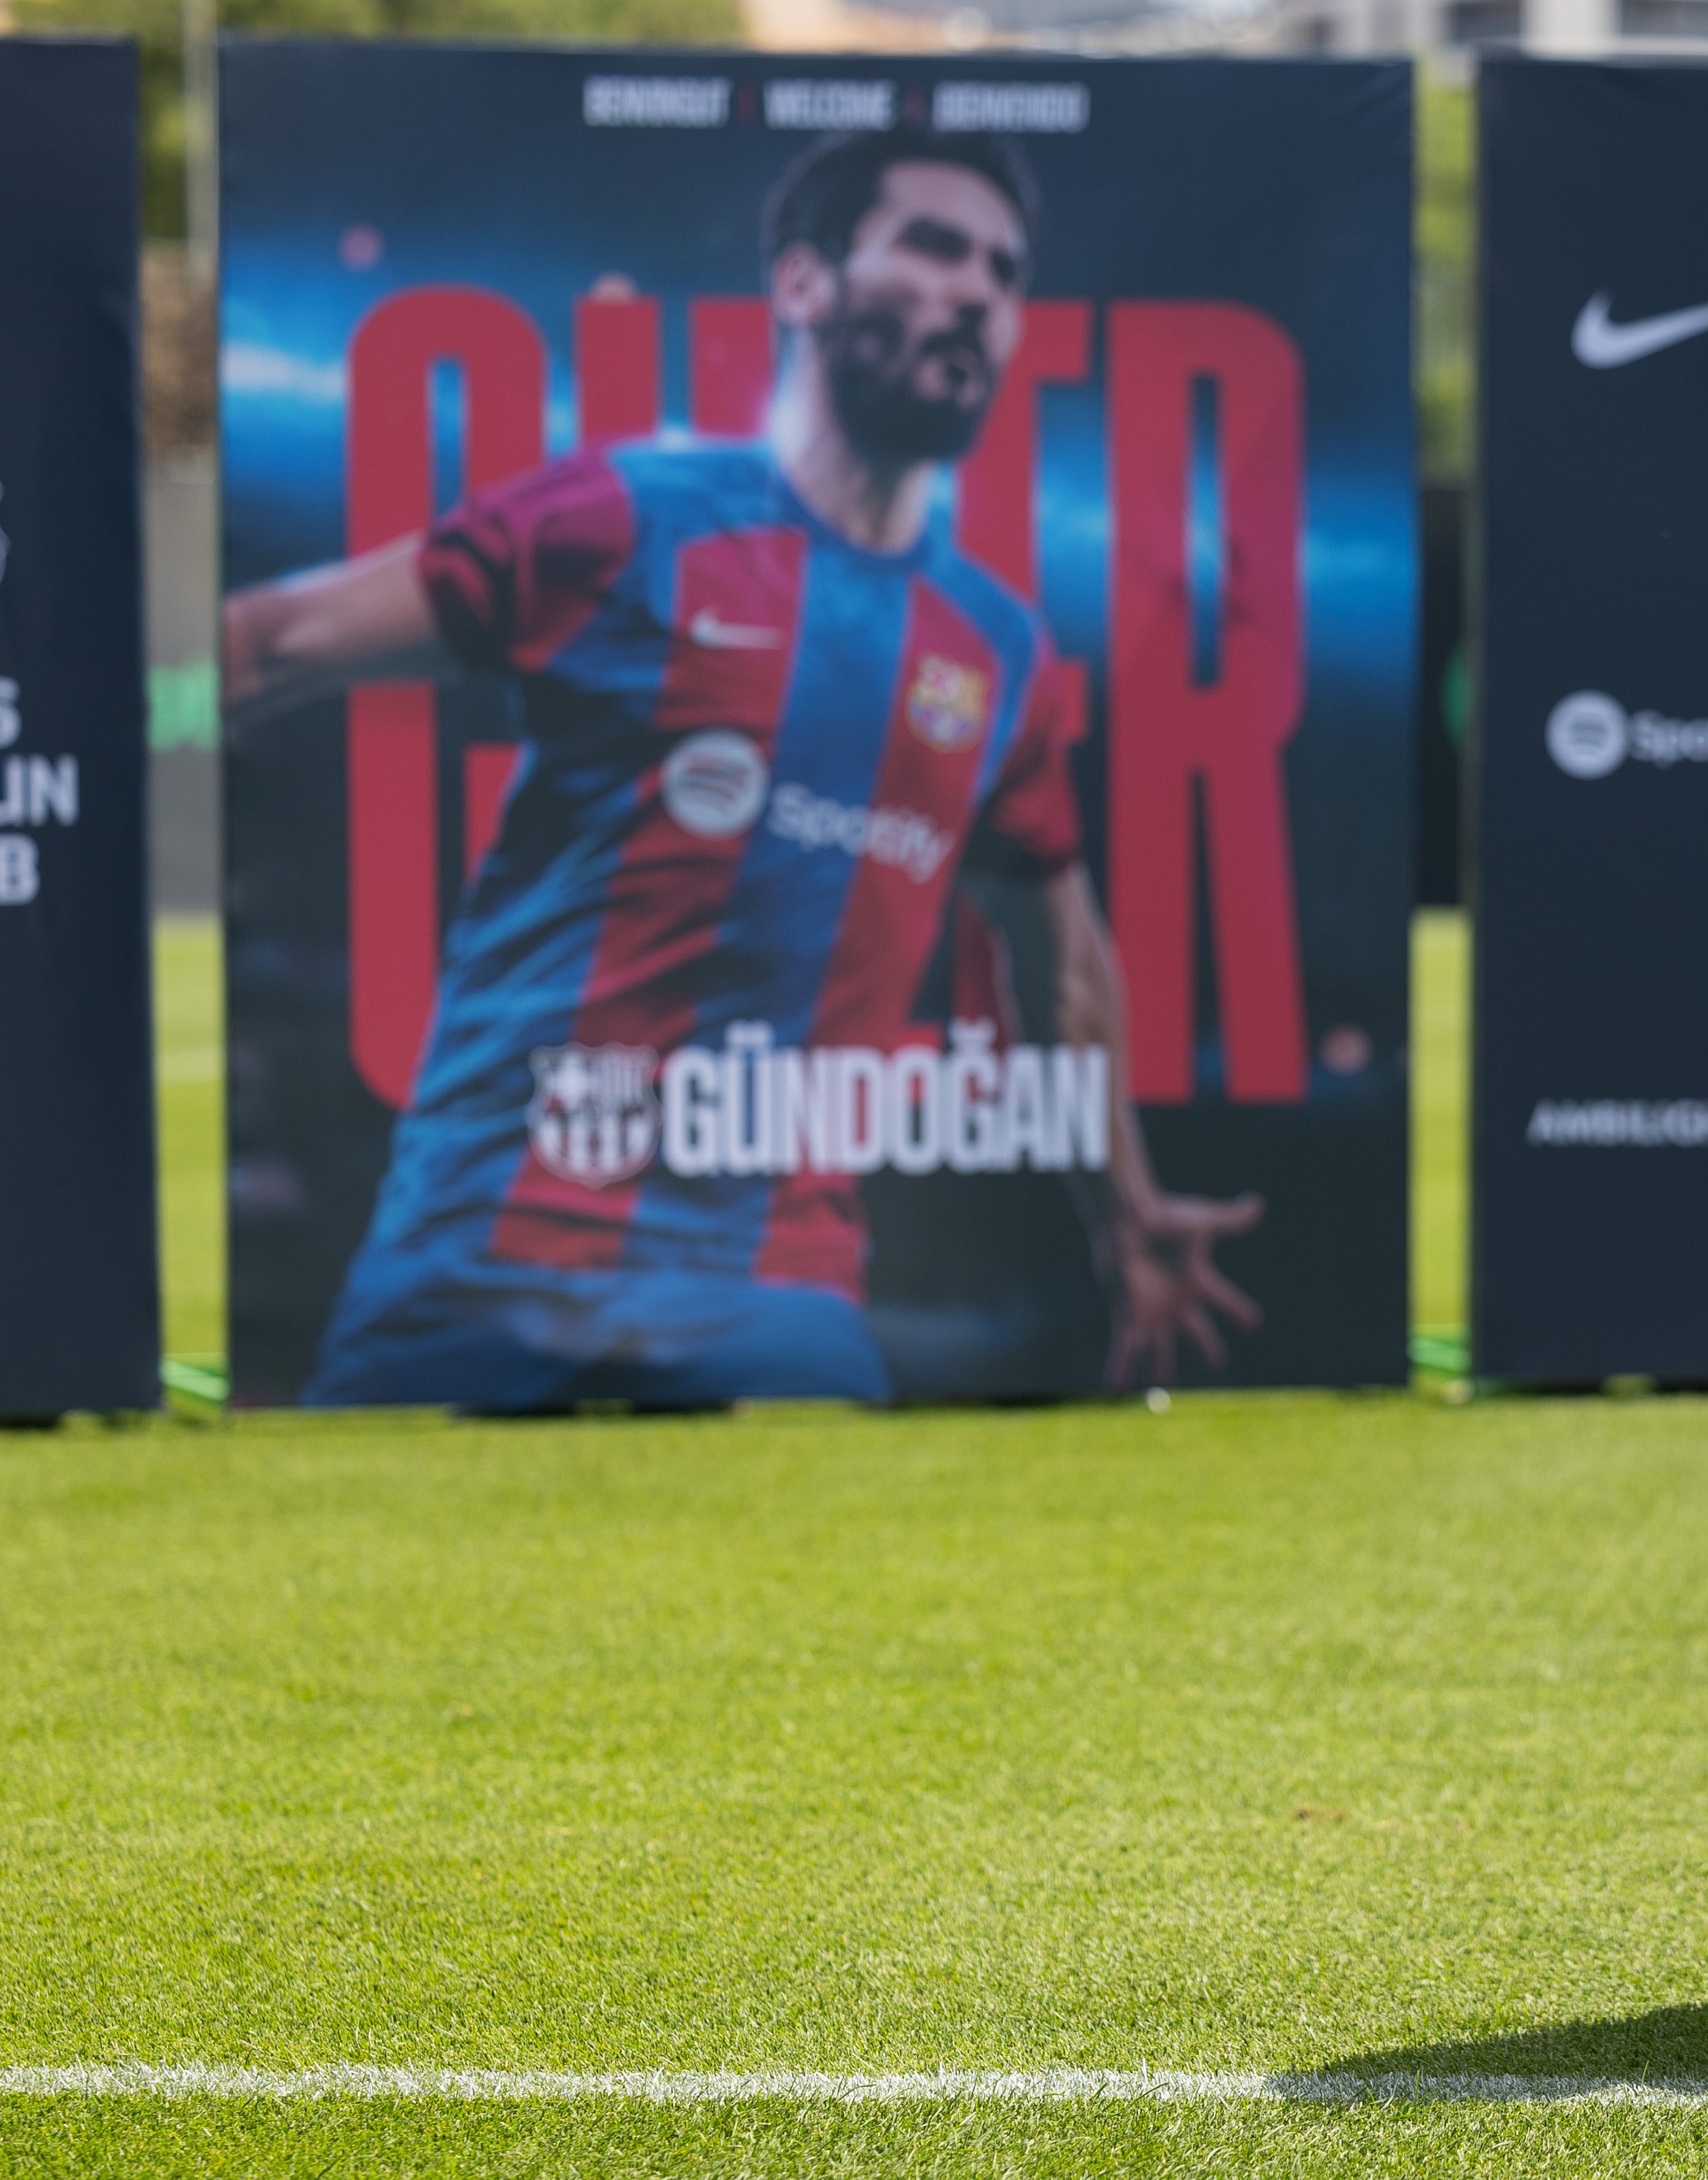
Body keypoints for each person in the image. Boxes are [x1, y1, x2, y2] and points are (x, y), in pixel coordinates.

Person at [222, 132, 1261, 1406]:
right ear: (803, 285)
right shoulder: (625, 519)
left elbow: (1063, 963)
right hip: (487, 1250)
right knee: (361, 1592)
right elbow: (265, 643)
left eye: (1004, 269)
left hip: (778, 1294)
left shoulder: (994, 652)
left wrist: (1126, 1207)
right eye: (933, 246)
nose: (979, 293)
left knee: (822, 1596)